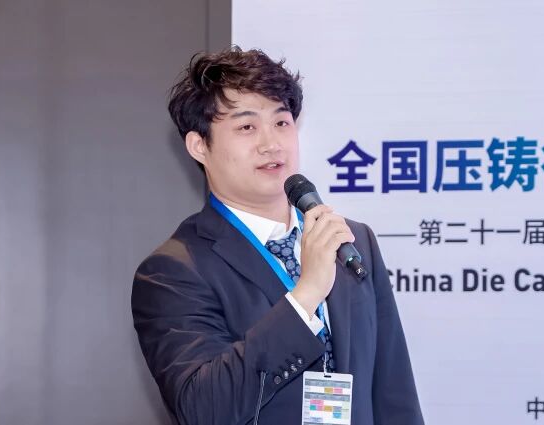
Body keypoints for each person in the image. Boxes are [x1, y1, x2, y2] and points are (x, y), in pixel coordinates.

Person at [131, 47, 424, 425]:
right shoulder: (173, 271)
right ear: (199, 145)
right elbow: (203, 408)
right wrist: (306, 294)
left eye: (282, 122)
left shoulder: (350, 239)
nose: (271, 144)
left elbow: (392, 388)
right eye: (247, 127)